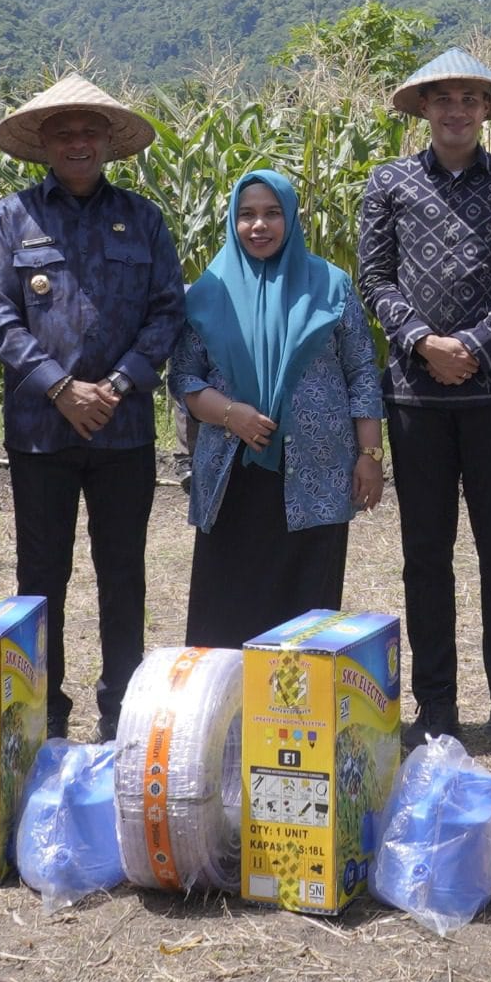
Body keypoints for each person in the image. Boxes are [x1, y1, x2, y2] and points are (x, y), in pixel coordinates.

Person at [0, 75, 185, 743]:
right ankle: (44, 713)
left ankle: (121, 708)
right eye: (63, 132)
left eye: (88, 131)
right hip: (41, 432)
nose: (77, 142)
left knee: (122, 573)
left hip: (123, 431)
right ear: (43, 144)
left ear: (106, 142)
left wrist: (118, 384)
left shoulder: (143, 219)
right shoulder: (11, 219)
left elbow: (166, 311)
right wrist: (62, 388)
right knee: (42, 576)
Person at [357, 48, 491, 750]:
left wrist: (471, 345)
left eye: (470, 99)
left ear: (486, 111)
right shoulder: (390, 184)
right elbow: (375, 277)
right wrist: (421, 341)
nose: (457, 111)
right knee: (425, 556)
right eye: (444, 99)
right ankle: (435, 705)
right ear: (425, 109)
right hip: (415, 400)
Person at [172, 169, 385, 647]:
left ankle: (297, 714)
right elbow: (184, 377)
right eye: (246, 215)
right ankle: (230, 710)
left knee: (306, 606)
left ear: (290, 218)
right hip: (233, 469)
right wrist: (233, 415)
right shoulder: (209, 291)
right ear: (232, 221)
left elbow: (361, 371)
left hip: (317, 469)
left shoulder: (331, 285)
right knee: (228, 598)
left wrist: (369, 455)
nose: (259, 226)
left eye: (272, 213)